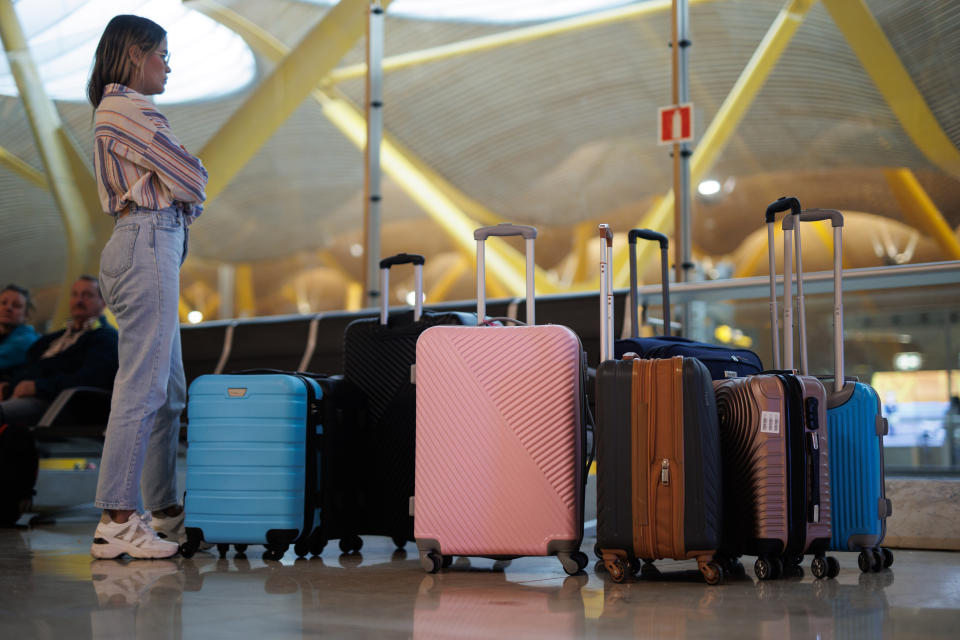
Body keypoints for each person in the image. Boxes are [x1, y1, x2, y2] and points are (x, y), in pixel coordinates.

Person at [87, 15, 208, 560]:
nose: (168, 64)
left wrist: (185, 186)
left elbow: (185, 183)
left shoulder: (118, 110)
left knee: (169, 392)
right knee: (144, 387)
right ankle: (117, 519)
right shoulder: (128, 108)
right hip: (146, 241)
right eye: (162, 53)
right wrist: (189, 184)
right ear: (135, 53)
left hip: (144, 242)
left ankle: (163, 514)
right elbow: (191, 178)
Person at [0, 276, 118, 426]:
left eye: (87, 295)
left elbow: (92, 378)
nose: (79, 300)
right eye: (74, 295)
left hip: (56, 404)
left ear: (103, 303)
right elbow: (28, 367)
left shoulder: (105, 337)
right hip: (22, 397)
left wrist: (38, 387)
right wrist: (8, 385)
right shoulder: (52, 339)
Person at [0, 284, 39, 372]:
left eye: (16, 305)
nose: (8, 308)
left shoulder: (26, 341)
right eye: (3, 303)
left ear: (26, 314)